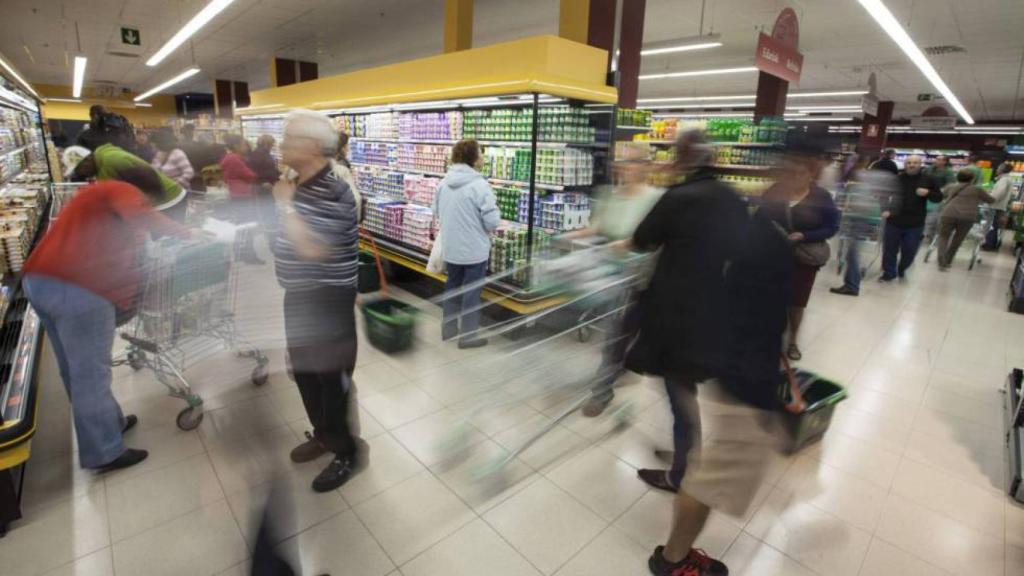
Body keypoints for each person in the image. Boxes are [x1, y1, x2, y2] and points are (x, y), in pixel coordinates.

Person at [648, 177, 793, 576]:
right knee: (709, 478)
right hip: (738, 374)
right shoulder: (760, 233)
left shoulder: (750, 226)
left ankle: (673, 552)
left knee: (705, 468)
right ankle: (673, 560)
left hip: (721, 362)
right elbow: (749, 311)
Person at [21, 169, 195, 471]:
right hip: (78, 290)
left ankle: (108, 424)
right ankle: (105, 451)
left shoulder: (94, 196)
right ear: (145, 193)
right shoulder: (122, 191)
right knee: (90, 375)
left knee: (74, 368)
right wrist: (188, 233)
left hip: (41, 281)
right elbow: (138, 213)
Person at [627, 129, 749, 493]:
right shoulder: (732, 197)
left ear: (683, 158)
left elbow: (642, 238)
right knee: (686, 387)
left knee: (679, 390)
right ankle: (685, 452)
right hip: (715, 305)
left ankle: (682, 471)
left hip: (675, 311)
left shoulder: (679, 196)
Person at [273, 109, 364, 493]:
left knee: (333, 380)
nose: (282, 143)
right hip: (300, 297)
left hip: (328, 301)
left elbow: (312, 248)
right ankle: (324, 435)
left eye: (290, 137)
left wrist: (285, 207)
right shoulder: (299, 184)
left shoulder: (336, 190)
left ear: (311, 145)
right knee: (306, 373)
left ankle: (348, 452)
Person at [562, 142, 663, 417]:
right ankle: (603, 388)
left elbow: (658, 236)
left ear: (646, 167)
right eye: (623, 161)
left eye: (633, 162)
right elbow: (597, 226)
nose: (625, 167)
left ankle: (615, 377)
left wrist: (629, 243)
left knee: (625, 336)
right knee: (615, 336)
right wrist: (571, 236)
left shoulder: (655, 199)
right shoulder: (610, 195)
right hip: (611, 278)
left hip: (642, 279)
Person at [761, 147, 839, 361]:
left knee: (796, 302)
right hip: (773, 254)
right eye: (790, 173)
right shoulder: (776, 190)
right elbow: (760, 216)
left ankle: (793, 340)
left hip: (803, 258)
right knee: (771, 298)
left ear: (811, 174)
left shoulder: (821, 197)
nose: (794, 177)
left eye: (800, 173)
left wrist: (804, 235)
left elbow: (832, 227)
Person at [433, 139, 500, 349]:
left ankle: (449, 329)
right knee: (471, 293)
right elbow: (491, 222)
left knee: (452, 287)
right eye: (480, 153)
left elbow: (436, 212)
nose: (482, 157)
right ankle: (468, 336)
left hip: (451, 248)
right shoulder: (480, 186)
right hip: (474, 251)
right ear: (473, 158)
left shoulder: (443, 183)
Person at [830, 157, 898, 296]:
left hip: (859, 221)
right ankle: (852, 282)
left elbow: (852, 204)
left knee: (853, 252)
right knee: (856, 251)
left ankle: (852, 286)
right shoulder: (890, 184)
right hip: (874, 223)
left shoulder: (863, 182)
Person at [72, 142, 188, 222]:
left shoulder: (113, 158)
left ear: (86, 160)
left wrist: (148, 206)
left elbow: (150, 177)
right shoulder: (100, 168)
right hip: (159, 202)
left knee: (169, 244)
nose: (82, 174)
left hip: (169, 199)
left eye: (79, 170)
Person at [880, 155, 942, 281]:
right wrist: (884, 209)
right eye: (909, 163)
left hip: (915, 222)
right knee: (889, 249)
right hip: (894, 220)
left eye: (915, 163)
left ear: (920, 164)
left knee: (910, 250)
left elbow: (939, 197)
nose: (911, 165)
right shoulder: (897, 179)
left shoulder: (928, 179)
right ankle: (889, 273)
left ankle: (902, 267)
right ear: (905, 164)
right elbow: (884, 194)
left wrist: (928, 193)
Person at [936, 168, 996, 270]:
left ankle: (941, 261)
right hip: (967, 217)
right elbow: (991, 200)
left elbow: (941, 195)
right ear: (972, 179)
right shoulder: (977, 189)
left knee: (943, 237)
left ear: (957, 177)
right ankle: (948, 260)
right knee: (957, 240)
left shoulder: (950, 187)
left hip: (948, 214)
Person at [221, 134, 263, 264]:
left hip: (237, 195)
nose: (246, 147)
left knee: (241, 226)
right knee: (248, 227)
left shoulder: (230, 158)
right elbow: (250, 176)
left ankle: (240, 253)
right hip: (243, 196)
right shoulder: (235, 160)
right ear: (236, 146)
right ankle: (249, 256)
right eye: (244, 144)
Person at [248, 134, 281, 237]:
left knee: (267, 204)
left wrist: (277, 174)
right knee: (267, 204)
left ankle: (269, 224)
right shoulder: (260, 154)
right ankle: (270, 227)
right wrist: (263, 181)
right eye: (271, 144)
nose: (272, 146)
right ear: (266, 144)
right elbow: (256, 170)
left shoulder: (258, 153)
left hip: (264, 183)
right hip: (263, 185)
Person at [984, 162, 1015, 250]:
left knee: (992, 226)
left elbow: (999, 192)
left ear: (1002, 170)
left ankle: (989, 244)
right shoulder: (1006, 179)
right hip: (1000, 206)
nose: (997, 169)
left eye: (998, 168)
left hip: (996, 206)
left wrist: (991, 199)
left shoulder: (1004, 180)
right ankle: (992, 244)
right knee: (995, 226)